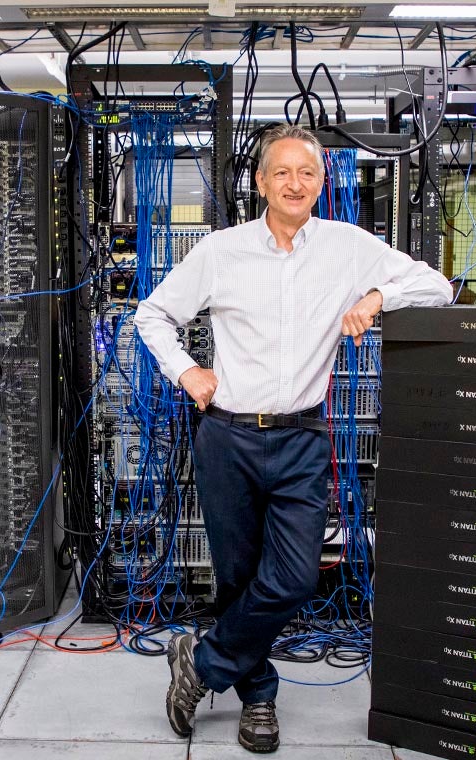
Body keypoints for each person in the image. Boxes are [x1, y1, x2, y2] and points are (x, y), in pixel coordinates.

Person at [133, 124, 452, 753]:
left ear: (321, 180)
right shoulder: (221, 251)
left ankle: (199, 663)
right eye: (281, 172)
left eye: (306, 172)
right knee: (236, 576)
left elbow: (437, 286)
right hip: (226, 434)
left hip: (301, 436)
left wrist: (378, 295)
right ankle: (258, 696)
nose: (294, 183)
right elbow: (152, 314)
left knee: (297, 575)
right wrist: (187, 369)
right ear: (260, 182)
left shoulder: (347, 247)